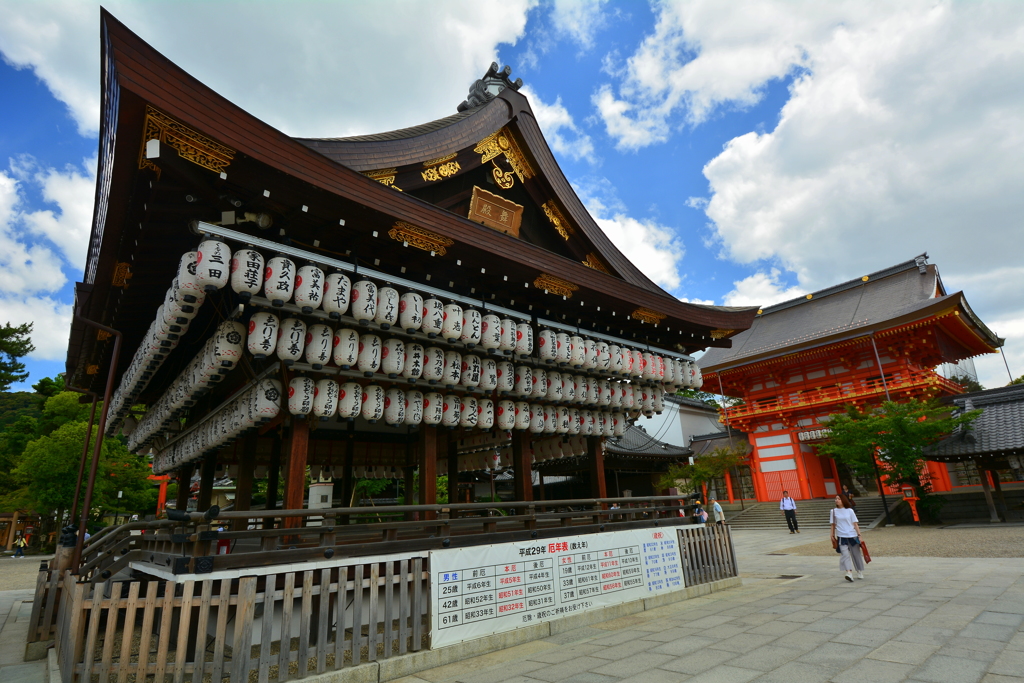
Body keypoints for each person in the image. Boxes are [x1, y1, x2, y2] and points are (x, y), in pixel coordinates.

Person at [830, 493, 865, 582]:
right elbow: (833, 525)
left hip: (852, 535)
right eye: (836, 499)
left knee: (856, 554)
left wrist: (859, 535)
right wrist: (832, 535)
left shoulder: (850, 511)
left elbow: (855, 524)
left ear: (843, 500)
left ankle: (859, 571)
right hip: (841, 536)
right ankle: (849, 572)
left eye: (838, 499)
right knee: (845, 555)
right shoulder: (833, 511)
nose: (836, 500)